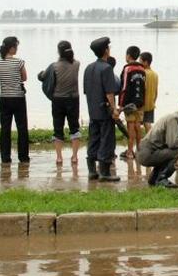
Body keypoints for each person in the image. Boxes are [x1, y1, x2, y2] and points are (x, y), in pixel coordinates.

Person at [137, 95, 178, 188]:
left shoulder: (176, 118)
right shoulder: (174, 118)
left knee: (171, 151)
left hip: (145, 151)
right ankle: (161, 179)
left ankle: (154, 179)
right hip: (147, 153)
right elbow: (172, 143)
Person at [83, 37, 120, 181]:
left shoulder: (88, 68)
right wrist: (114, 109)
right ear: (106, 50)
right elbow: (109, 92)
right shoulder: (107, 68)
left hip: (92, 109)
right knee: (107, 139)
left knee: (93, 138)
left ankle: (92, 171)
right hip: (104, 110)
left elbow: (86, 90)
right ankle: (105, 173)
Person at [39, 40, 81, 165]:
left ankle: (59, 157)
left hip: (58, 100)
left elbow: (42, 77)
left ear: (59, 51)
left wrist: (40, 74)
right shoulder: (77, 64)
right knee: (74, 127)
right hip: (73, 99)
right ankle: (74, 157)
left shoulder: (54, 66)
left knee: (58, 128)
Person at [0, 36, 30, 164]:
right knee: (22, 128)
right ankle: (23, 157)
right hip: (18, 97)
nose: (17, 49)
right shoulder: (19, 62)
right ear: (12, 48)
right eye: (16, 47)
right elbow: (24, 78)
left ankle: (5, 157)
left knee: (5, 128)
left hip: (4, 97)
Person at [119, 46, 146, 160]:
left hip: (129, 103)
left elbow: (124, 87)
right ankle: (139, 150)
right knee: (138, 126)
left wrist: (121, 105)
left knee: (130, 126)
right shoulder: (142, 69)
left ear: (128, 56)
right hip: (140, 102)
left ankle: (130, 151)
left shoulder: (127, 69)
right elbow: (144, 87)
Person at [140, 52, 159, 133]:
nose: (139, 62)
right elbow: (156, 91)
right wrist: (154, 102)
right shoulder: (155, 74)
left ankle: (141, 143)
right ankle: (151, 140)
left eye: (140, 60)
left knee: (138, 125)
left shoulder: (143, 73)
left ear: (146, 62)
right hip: (151, 103)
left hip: (142, 103)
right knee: (147, 123)